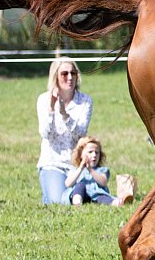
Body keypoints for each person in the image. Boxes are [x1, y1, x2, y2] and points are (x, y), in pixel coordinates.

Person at [37, 59, 93, 204]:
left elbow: (81, 134)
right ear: (55, 76)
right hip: (53, 163)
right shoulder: (43, 99)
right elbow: (45, 134)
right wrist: (51, 110)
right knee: (58, 201)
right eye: (64, 74)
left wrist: (64, 114)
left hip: (76, 164)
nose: (70, 77)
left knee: (96, 193)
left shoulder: (85, 101)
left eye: (73, 73)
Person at [66, 135, 116, 205]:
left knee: (103, 197)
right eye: (90, 152)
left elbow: (103, 182)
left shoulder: (102, 170)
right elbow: (68, 184)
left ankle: (114, 202)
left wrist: (90, 169)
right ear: (81, 154)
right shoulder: (75, 170)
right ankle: (77, 201)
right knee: (80, 186)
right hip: (81, 193)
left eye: (96, 152)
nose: (94, 155)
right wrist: (80, 168)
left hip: (97, 194)